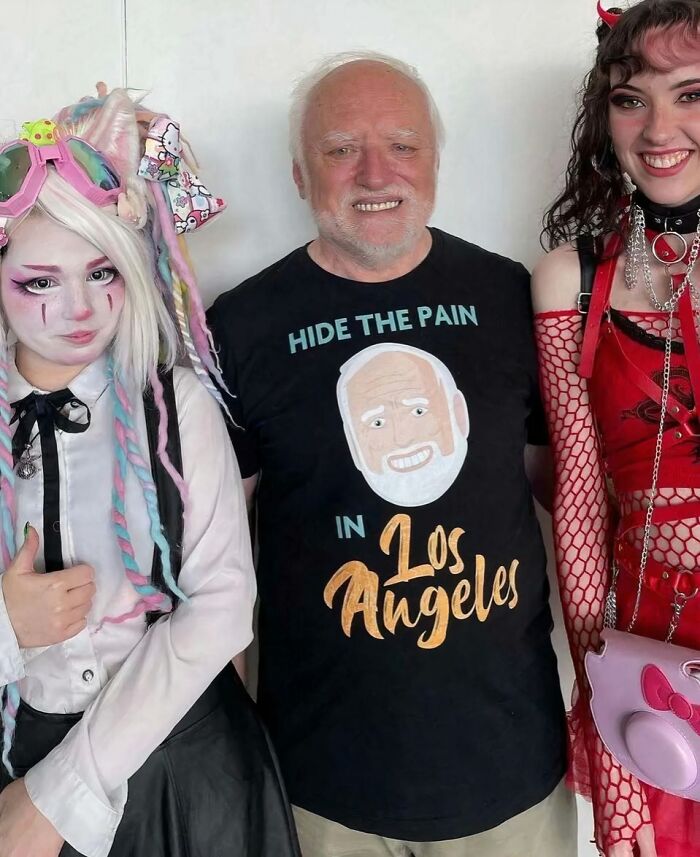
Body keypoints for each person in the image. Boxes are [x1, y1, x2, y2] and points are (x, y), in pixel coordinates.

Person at [208, 51, 575, 857]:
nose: (376, 171)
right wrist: (227, 742)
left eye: (403, 145)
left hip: (512, 775)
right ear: (302, 176)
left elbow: (571, 495)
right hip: (321, 787)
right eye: (341, 149)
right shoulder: (241, 326)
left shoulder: (511, 296)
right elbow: (217, 556)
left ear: (435, 162)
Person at [0, 89, 300, 857]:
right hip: (16, 761)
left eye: (102, 272)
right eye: (39, 281)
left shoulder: (174, 402)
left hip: (186, 773)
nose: (78, 307)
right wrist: (9, 628)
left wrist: (57, 794)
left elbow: (225, 606)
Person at [534, 1, 700, 855]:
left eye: (691, 93)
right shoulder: (571, 275)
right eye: (632, 98)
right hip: (652, 651)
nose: (659, 127)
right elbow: (578, 496)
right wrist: (610, 736)